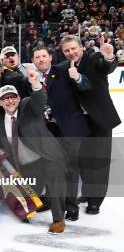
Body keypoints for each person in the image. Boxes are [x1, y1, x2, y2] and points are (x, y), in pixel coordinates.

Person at [0, 74, 68, 234]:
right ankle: (49, 200)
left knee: (55, 178)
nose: (9, 101)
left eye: (13, 97)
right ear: (0, 102)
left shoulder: (27, 108)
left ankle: (58, 219)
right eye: (5, 98)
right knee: (33, 201)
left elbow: (39, 101)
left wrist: (36, 85)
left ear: (19, 99)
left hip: (46, 158)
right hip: (27, 167)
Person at [60, 35, 121, 214]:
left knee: (98, 160)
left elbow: (106, 66)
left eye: (73, 48)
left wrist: (109, 57)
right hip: (79, 121)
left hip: (99, 119)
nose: (71, 52)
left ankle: (95, 201)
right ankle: (87, 193)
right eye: (67, 50)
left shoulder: (94, 59)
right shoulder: (65, 67)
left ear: (81, 48)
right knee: (83, 158)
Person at [31, 47, 91, 221]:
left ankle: (72, 207)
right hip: (47, 131)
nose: (41, 59)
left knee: (71, 169)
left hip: (70, 129)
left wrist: (78, 77)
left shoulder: (64, 70)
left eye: (43, 56)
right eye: (37, 57)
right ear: (33, 61)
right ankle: (51, 200)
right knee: (50, 168)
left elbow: (86, 86)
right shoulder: (31, 78)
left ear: (50, 57)